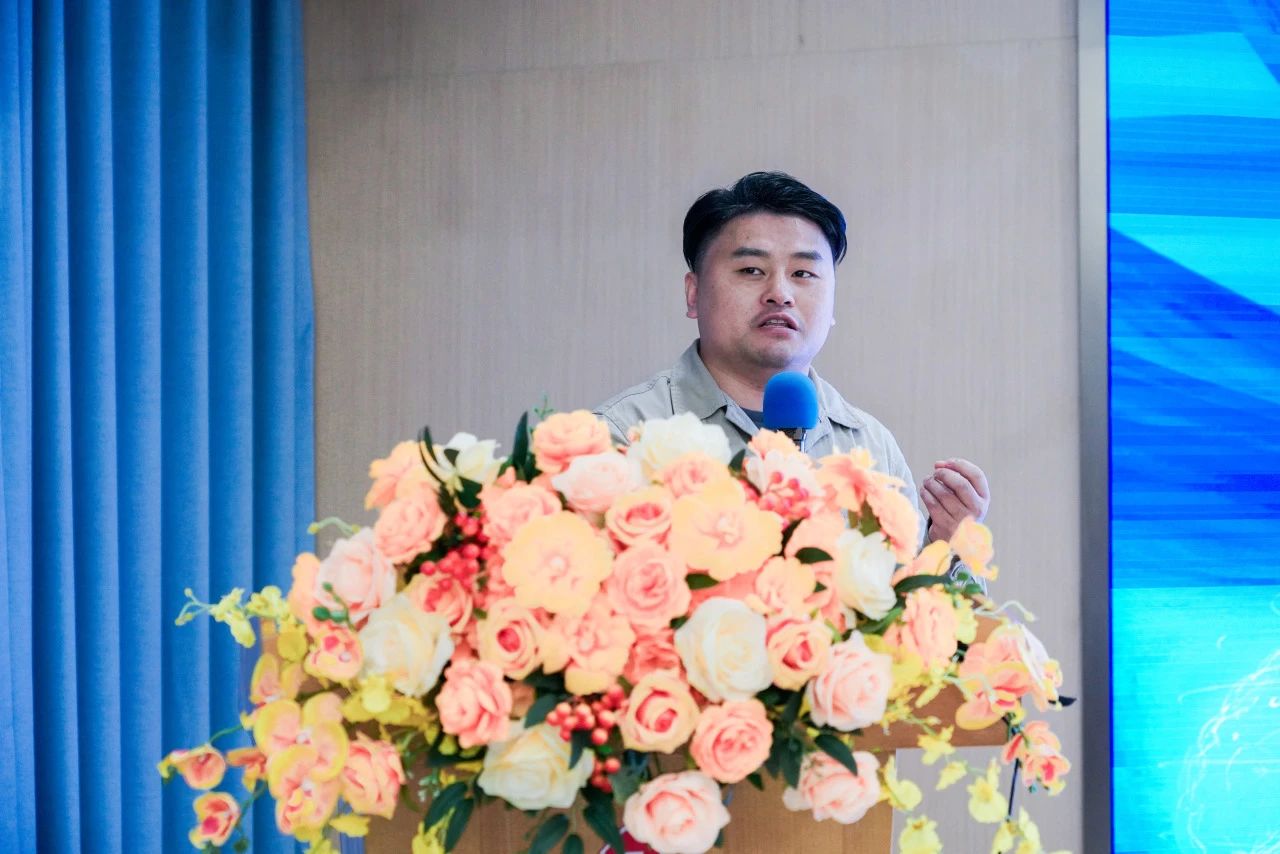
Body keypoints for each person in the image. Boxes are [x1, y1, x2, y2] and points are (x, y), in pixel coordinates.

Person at [593, 172, 989, 546]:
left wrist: (947, 548)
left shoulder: (870, 446)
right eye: (751, 270)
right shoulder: (623, 435)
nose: (780, 293)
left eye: (803, 273)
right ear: (693, 293)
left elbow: (910, 594)